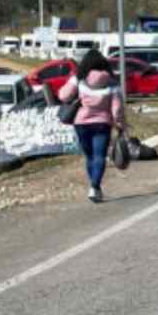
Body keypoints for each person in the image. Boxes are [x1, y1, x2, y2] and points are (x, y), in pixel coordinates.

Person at [58, 49, 125, 203]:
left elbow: (63, 96)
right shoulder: (112, 83)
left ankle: (94, 186)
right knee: (100, 156)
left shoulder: (78, 79)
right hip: (103, 124)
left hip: (81, 123)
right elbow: (117, 109)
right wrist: (120, 125)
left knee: (89, 156)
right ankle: (95, 187)